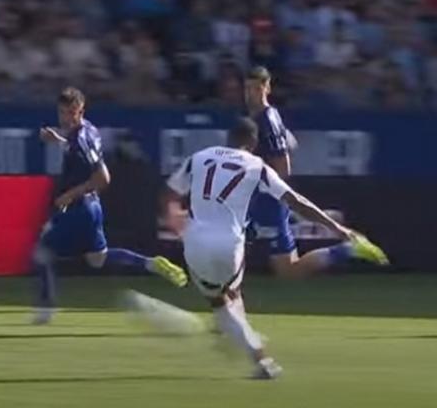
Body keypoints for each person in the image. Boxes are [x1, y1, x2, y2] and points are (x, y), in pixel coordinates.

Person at [161, 118, 388, 379]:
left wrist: (174, 219)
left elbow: (168, 196)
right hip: (230, 243)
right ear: (253, 142)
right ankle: (249, 344)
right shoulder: (257, 165)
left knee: (221, 302)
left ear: (228, 139)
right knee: (230, 295)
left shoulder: (199, 157)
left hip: (197, 240)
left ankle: (258, 356)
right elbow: (295, 201)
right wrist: (338, 229)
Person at [32, 87, 187, 325]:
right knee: (98, 259)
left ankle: (45, 309)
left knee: (42, 252)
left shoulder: (80, 139)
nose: (66, 118)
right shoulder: (88, 130)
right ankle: (151, 263)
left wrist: (69, 195)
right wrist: (59, 140)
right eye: (62, 113)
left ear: (81, 111)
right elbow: (80, 152)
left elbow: (103, 178)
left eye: (71, 113)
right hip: (91, 207)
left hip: (78, 208)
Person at [245, 66, 385, 277]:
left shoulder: (267, 119)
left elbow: (283, 165)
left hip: (265, 199)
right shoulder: (260, 117)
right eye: (247, 89)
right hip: (255, 197)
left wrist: (268, 190)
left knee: (287, 269)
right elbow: (290, 142)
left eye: (256, 89)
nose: (251, 94)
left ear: (267, 88)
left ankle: (347, 249)